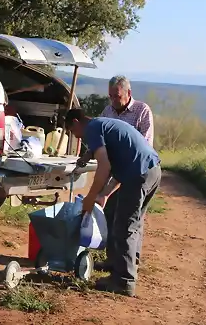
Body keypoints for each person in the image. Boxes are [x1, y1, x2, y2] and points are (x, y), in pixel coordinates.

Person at [65, 108, 161, 297]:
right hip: (152, 170)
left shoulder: (92, 128)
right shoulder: (103, 124)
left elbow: (105, 166)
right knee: (133, 223)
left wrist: (91, 198)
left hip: (139, 174)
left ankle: (124, 281)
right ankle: (121, 264)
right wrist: (105, 194)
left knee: (125, 226)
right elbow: (121, 164)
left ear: (76, 122)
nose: (76, 136)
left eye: (72, 131)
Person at [77, 75, 154, 272]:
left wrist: (102, 192)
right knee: (111, 213)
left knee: (131, 219)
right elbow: (100, 139)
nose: (113, 101)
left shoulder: (142, 111)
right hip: (115, 168)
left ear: (128, 93)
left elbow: (142, 146)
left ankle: (130, 265)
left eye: (117, 96)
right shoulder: (108, 111)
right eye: (110, 96)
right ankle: (114, 259)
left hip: (134, 169)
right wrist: (87, 154)